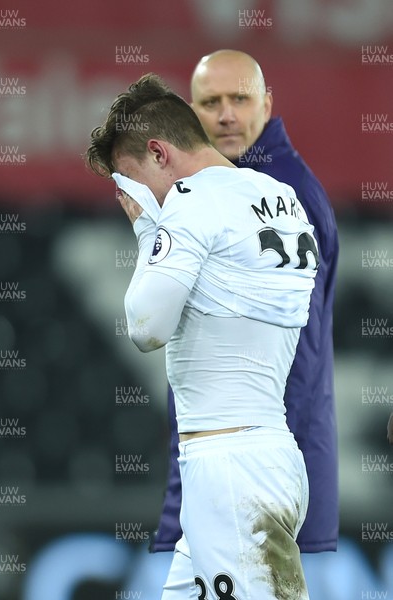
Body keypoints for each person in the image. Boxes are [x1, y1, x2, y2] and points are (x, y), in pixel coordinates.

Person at [86, 73, 319, 599]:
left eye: (128, 182)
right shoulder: (281, 197)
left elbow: (146, 327)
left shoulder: (192, 202)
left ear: (158, 153)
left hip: (229, 471)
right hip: (267, 454)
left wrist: (150, 229)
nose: (130, 200)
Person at [150, 49, 339, 584]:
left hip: (249, 467)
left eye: (240, 99)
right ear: (191, 112)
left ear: (267, 104)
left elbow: (296, 354)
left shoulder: (276, 194)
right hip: (239, 461)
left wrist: (276, 472)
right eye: (211, 102)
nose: (226, 115)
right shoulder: (238, 185)